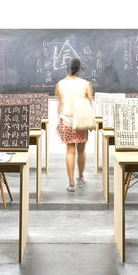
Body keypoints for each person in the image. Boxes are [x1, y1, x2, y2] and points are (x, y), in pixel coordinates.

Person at [56, 58, 93, 192]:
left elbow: (59, 105)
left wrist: (58, 122)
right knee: (81, 150)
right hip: (81, 122)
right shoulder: (86, 84)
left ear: (66, 68)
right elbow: (89, 104)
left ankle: (71, 183)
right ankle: (81, 176)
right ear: (79, 69)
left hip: (66, 121)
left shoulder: (60, 84)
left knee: (70, 151)